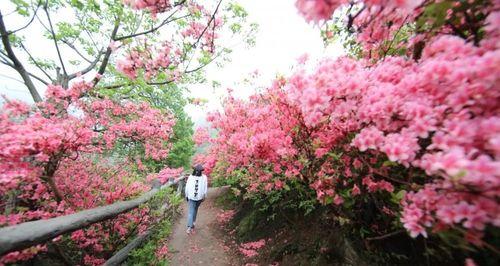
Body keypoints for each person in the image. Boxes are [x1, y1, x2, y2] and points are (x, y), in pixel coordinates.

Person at [184, 164, 208, 234]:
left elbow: (187, 187)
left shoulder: (191, 177)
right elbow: (205, 188)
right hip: (199, 197)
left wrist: (186, 195)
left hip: (191, 196)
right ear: (201, 171)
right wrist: (204, 196)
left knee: (191, 211)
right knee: (195, 210)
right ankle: (193, 223)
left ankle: (189, 227)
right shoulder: (204, 177)